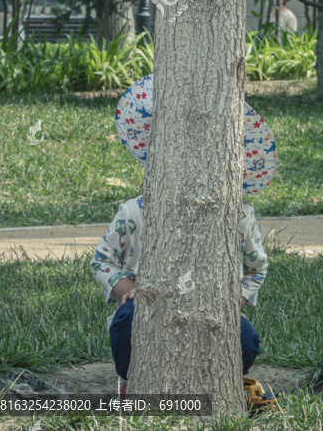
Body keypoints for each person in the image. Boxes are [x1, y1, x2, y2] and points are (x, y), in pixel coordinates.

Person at [90, 73, 278, 398]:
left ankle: (220, 382)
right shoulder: (134, 213)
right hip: (150, 302)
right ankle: (132, 381)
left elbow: (255, 268)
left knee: (245, 340)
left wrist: (236, 301)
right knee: (129, 325)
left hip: (212, 306)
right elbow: (102, 261)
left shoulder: (239, 216)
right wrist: (129, 289)